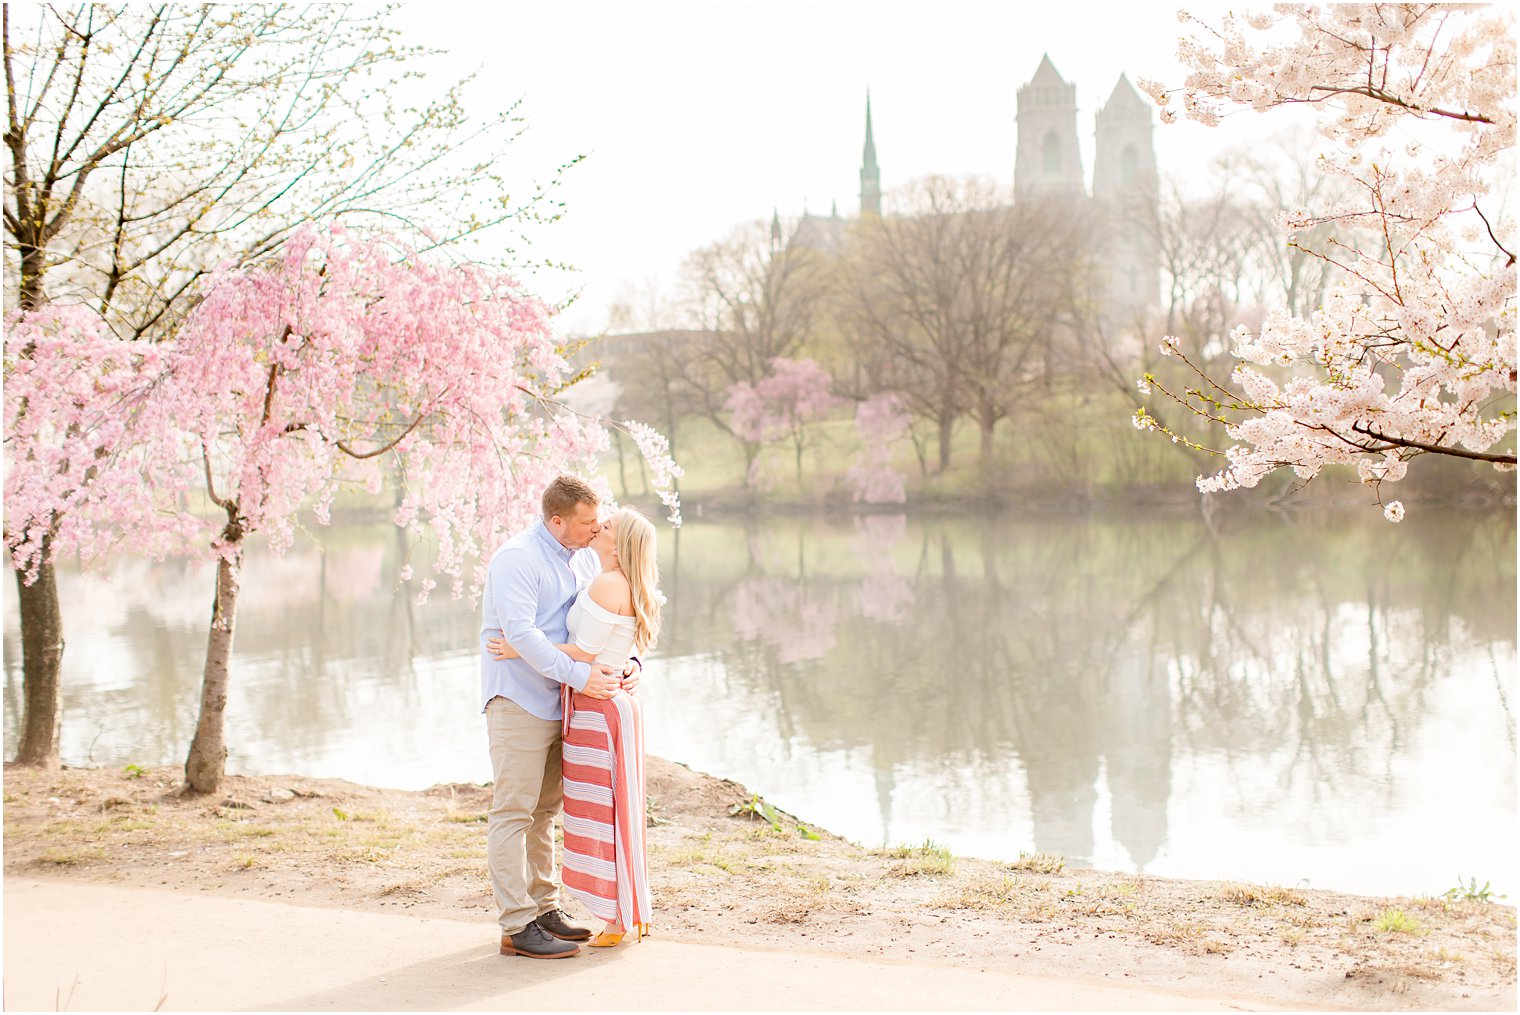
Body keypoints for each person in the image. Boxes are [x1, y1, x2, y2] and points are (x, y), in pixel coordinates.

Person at [480, 476, 638, 960]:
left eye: (598, 521)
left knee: (546, 812)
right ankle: (515, 924)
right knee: (513, 812)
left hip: (561, 703)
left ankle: (544, 909)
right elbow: (521, 636)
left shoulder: (584, 557)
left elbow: (601, 626)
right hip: (519, 702)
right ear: (557, 521)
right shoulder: (517, 558)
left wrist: (625, 665)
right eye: (588, 522)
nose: (596, 529)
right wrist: (580, 674)